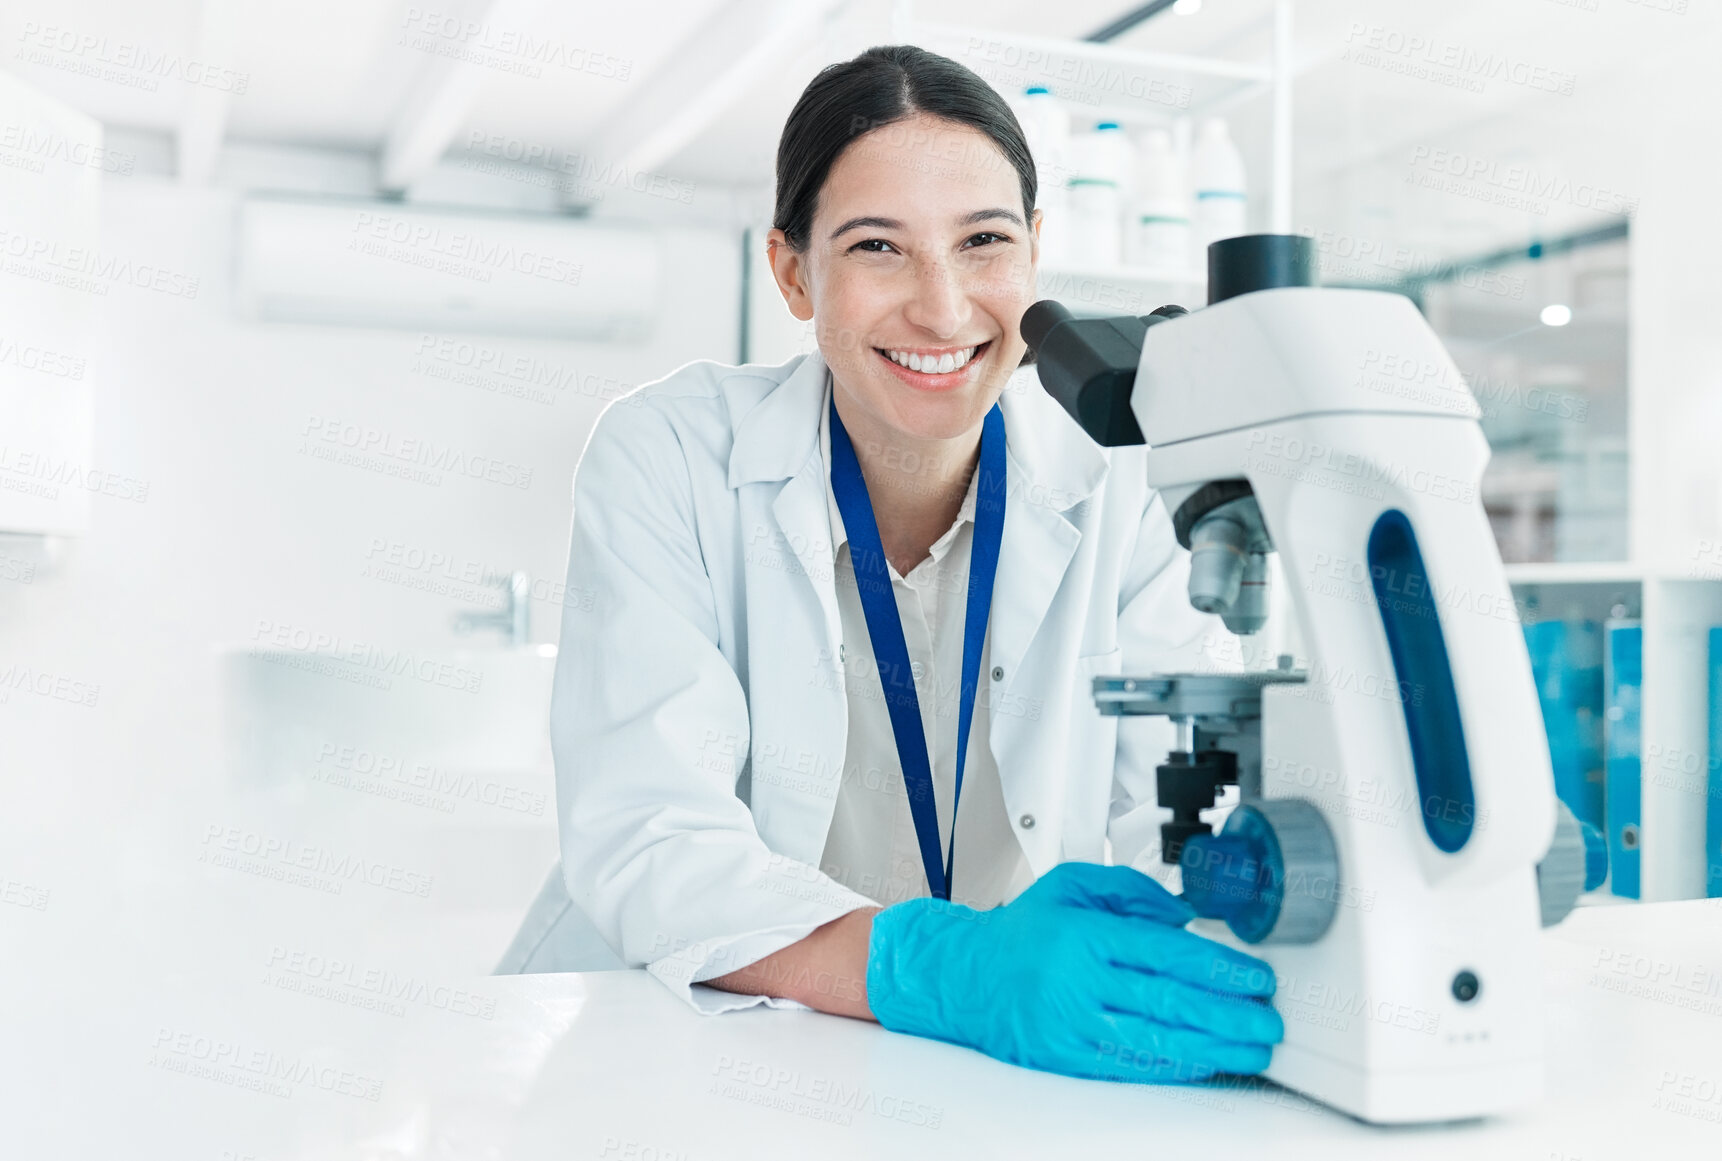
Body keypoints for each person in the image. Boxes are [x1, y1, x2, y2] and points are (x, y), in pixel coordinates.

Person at [550, 43, 1283, 1085]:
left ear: (1034, 250)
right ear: (794, 273)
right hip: (718, 1048)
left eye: (983, 241)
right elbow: (651, 843)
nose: (942, 310)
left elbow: (1176, 816)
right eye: (877, 249)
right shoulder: (671, 455)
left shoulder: (1130, 474)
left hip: (1004, 1063)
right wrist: (944, 970)